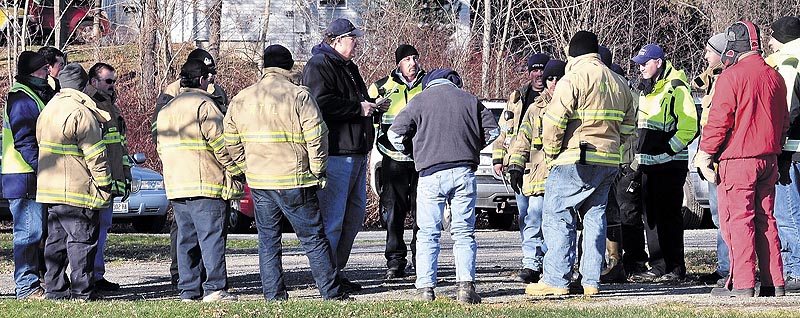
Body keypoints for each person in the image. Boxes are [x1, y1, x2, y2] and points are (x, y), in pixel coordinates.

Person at [223, 44, 348, 301]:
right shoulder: (299, 96)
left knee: (268, 241)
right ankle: (332, 294)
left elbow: (230, 139)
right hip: (296, 179)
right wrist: (318, 171)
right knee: (313, 239)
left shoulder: (241, 98)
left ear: (265, 67)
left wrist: (245, 167)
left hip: (260, 182)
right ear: (289, 67)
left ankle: (274, 296)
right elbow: (317, 137)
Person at [525, 30, 635, 297]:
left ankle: (556, 279)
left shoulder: (572, 78)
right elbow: (629, 125)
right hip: (608, 161)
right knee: (595, 217)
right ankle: (591, 281)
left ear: (572, 53)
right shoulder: (619, 81)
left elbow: (554, 122)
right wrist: (614, 149)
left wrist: (551, 155)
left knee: (557, 214)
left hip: (575, 158)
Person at [388, 68, 499, 304]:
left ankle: (426, 290)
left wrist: (414, 153)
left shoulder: (418, 101)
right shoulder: (470, 100)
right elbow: (493, 131)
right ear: (455, 83)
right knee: (463, 233)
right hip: (463, 172)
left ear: (429, 83)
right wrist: (471, 148)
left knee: (428, 234)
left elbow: (394, 135)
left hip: (430, 174)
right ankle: (465, 289)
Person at [697, 20, 788, 297]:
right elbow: (783, 122)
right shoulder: (775, 76)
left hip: (738, 161)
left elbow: (718, 122)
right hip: (768, 159)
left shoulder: (731, 77)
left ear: (733, 45)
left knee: (738, 221)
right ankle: (775, 282)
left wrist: (704, 155)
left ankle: (742, 284)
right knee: (766, 220)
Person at [302, 18, 387, 292]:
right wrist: (358, 108)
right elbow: (320, 104)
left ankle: (336, 272)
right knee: (333, 220)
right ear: (337, 41)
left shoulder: (350, 67)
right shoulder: (319, 66)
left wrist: (372, 108)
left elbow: (356, 103)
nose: (357, 43)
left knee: (353, 218)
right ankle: (326, 279)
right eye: (353, 38)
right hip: (337, 153)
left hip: (358, 152)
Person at [156, 59, 243, 302]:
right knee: (212, 238)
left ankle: (188, 290)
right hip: (207, 184)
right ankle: (215, 288)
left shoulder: (166, 109)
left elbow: (161, 149)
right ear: (203, 80)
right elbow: (221, 145)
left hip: (177, 186)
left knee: (186, 240)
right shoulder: (205, 106)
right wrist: (237, 169)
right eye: (210, 77)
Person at [36, 62, 113, 300]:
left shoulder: (49, 108)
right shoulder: (81, 112)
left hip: (50, 188)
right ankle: (82, 291)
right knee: (82, 241)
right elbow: (95, 154)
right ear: (83, 85)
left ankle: (55, 290)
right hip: (76, 190)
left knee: (55, 242)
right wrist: (104, 182)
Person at [628, 43, 698, 282]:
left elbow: (690, 126)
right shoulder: (647, 88)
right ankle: (659, 266)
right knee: (652, 218)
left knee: (669, 217)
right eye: (639, 65)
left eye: (645, 63)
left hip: (670, 165)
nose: (640, 69)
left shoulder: (676, 86)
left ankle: (675, 267)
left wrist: (669, 149)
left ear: (658, 62)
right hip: (650, 164)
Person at [367, 44, 426, 279]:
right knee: (393, 213)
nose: (413, 62)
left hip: (422, 159)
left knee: (423, 213)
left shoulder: (428, 84)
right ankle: (395, 261)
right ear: (398, 63)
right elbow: (369, 121)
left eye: (415, 57)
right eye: (407, 59)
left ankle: (421, 259)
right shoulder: (381, 87)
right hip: (392, 159)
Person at [3, 51, 55, 300]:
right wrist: (44, 168)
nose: (48, 73)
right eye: (44, 70)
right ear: (34, 72)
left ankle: (37, 283)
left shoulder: (32, 95)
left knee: (38, 232)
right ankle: (26, 287)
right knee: (29, 233)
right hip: (23, 175)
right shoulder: (22, 98)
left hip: (28, 174)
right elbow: (25, 141)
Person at [505, 58, 562, 284]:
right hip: (536, 176)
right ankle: (531, 264)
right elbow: (521, 139)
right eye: (549, 78)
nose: (552, 83)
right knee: (532, 219)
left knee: (557, 224)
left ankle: (553, 264)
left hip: (562, 176)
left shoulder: (572, 103)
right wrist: (515, 165)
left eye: (557, 78)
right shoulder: (533, 108)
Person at [83, 62, 131, 292]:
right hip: (94, 181)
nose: (113, 86)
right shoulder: (89, 105)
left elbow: (120, 147)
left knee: (102, 228)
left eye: (114, 81)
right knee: (89, 230)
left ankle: (97, 275)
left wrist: (126, 175)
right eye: (108, 81)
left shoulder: (110, 106)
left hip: (109, 181)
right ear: (94, 82)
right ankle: (87, 276)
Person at [765, 16, 800, 292]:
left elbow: (789, 108)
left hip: (793, 149)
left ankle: (795, 271)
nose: (769, 42)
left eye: (773, 36)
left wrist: (779, 142)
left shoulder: (788, 62)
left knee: (789, 212)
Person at [692, 33, 730, 286]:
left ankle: (729, 269)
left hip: (721, 157)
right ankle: (725, 266)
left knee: (725, 216)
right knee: (718, 216)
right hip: (714, 156)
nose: (705, 56)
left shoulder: (726, 79)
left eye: (709, 51)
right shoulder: (714, 79)